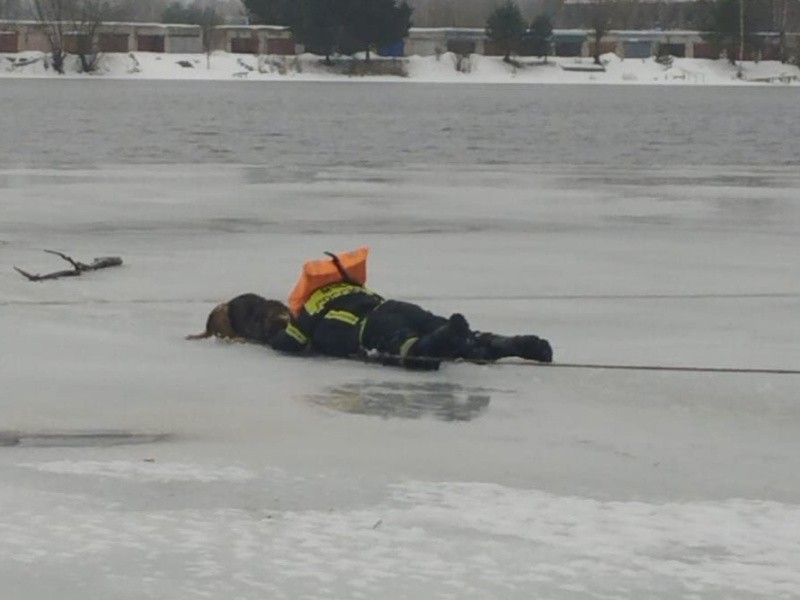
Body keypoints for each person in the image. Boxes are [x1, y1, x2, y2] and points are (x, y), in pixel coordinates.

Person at [267, 276, 553, 371]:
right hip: (395, 307)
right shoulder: (354, 288)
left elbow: (290, 343)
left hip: (371, 326)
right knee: (466, 340)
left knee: (414, 351)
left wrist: (272, 337)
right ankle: (507, 343)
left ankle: (442, 339)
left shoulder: (312, 304)